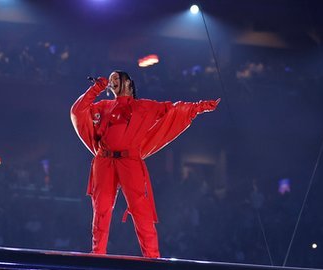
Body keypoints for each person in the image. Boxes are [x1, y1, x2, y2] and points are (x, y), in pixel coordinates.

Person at [70, 70, 220, 258]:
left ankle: (152, 258)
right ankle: (97, 254)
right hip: (104, 160)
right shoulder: (103, 106)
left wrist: (200, 107)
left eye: (116, 78)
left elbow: (172, 109)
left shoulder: (144, 106)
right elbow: (78, 110)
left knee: (141, 210)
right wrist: (96, 89)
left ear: (128, 83)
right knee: (101, 209)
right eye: (110, 79)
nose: (112, 81)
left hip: (129, 161)